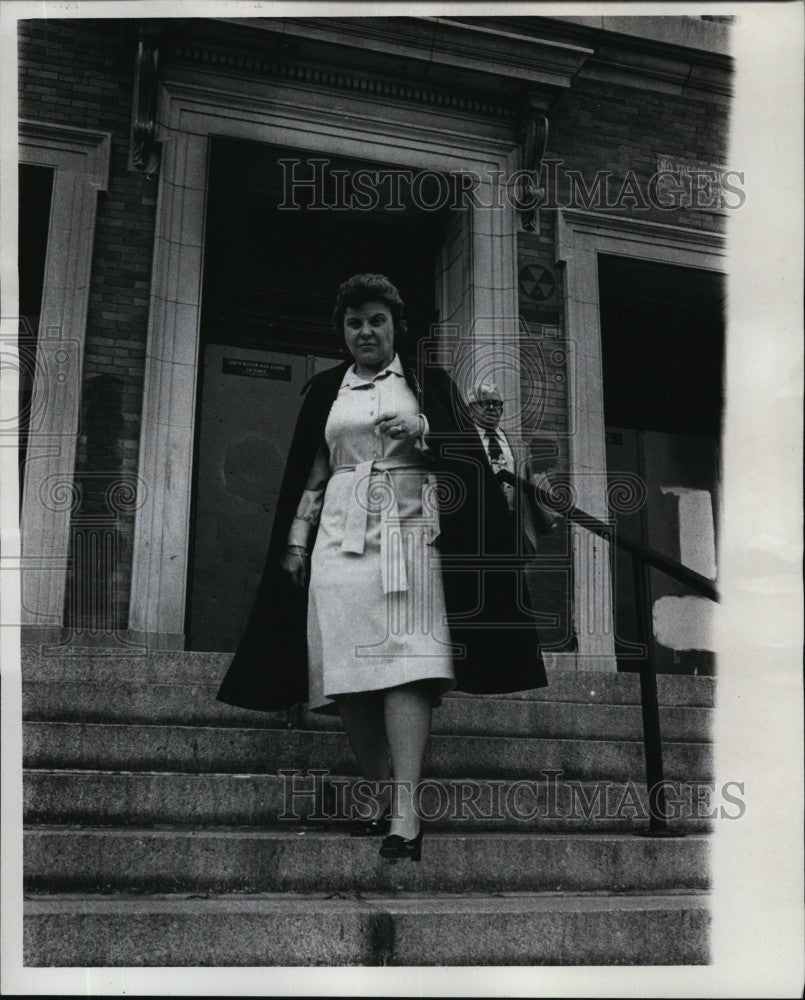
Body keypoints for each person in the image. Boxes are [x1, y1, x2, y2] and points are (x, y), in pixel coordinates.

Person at [217, 274, 552, 863]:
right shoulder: (327, 388)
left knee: (406, 666)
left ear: (397, 327)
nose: (365, 331)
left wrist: (424, 429)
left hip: (409, 534)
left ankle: (406, 806)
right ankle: (376, 791)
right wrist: (295, 542)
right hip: (339, 537)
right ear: (342, 331)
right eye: (354, 322)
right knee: (345, 670)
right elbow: (313, 472)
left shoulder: (429, 384)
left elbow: (469, 456)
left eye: (376, 320)